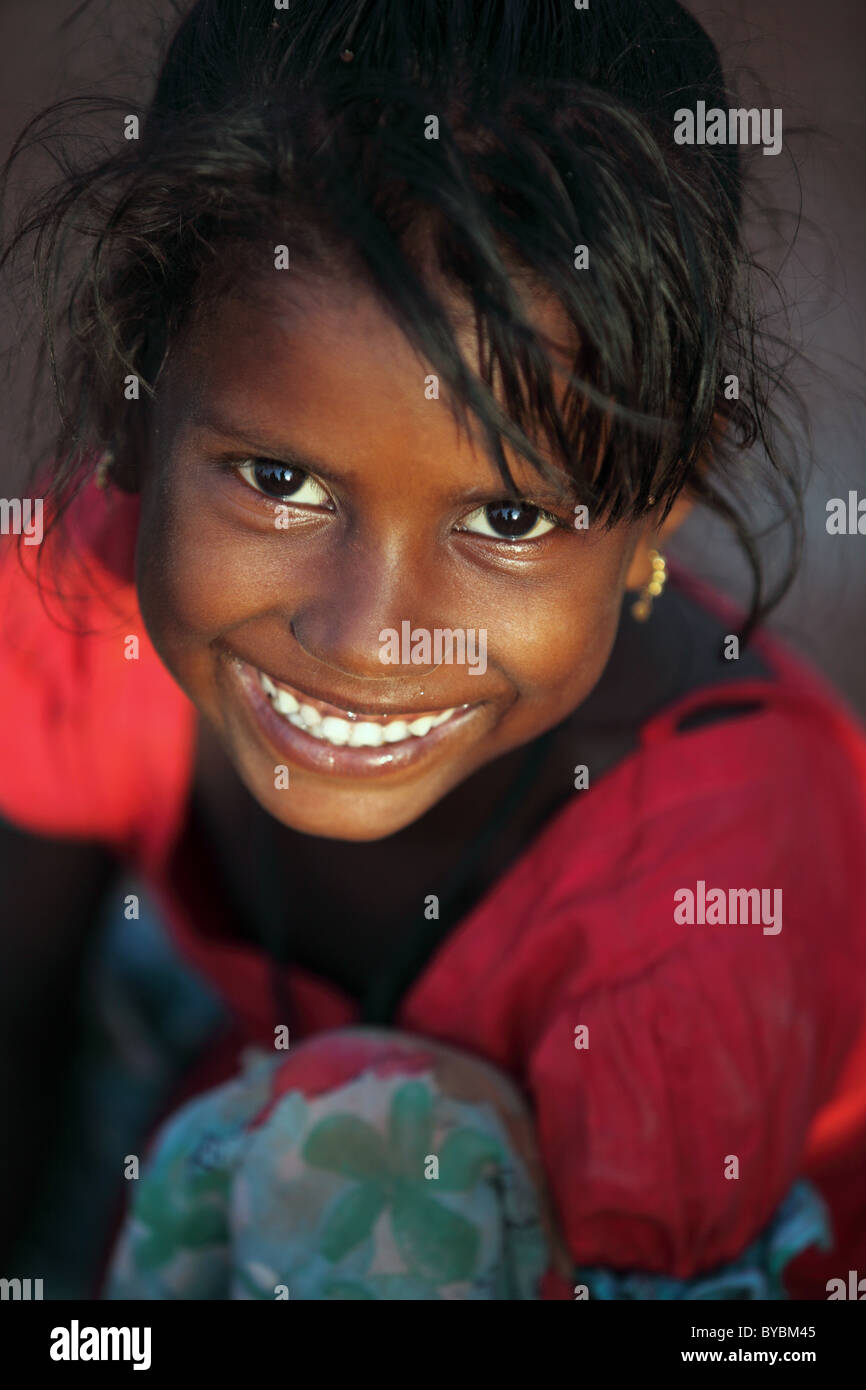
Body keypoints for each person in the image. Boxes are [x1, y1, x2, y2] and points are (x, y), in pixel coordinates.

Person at [2, 0, 865, 1299]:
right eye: (279, 479)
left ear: (664, 493)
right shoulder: (86, 596)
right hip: (205, 1122)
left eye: (507, 517)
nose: (365, 634)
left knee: (378, 1166)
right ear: (136, 396)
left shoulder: (702, 905)